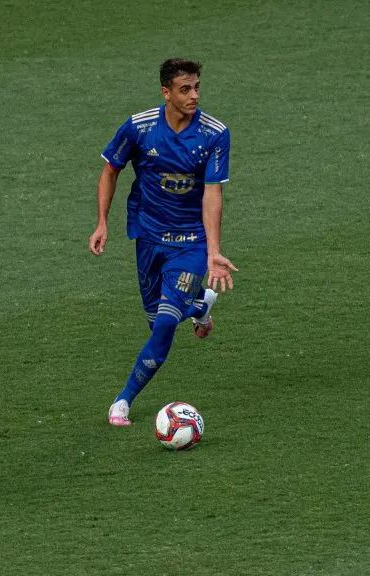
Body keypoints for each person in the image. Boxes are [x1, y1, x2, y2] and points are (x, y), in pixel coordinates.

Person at [88, 58, 238, 426]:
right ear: (166, 92)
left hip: (190, 242)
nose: (194, 96)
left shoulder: (214, 133)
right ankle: (200, 304)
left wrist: (213, 251)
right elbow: (110, 170)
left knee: (166, 323)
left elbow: (212, 195)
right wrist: (102, 223)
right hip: (148, 236)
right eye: (185, 89)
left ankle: (123, 400)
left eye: (197, 87)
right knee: (156, 317)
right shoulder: (139, 128)